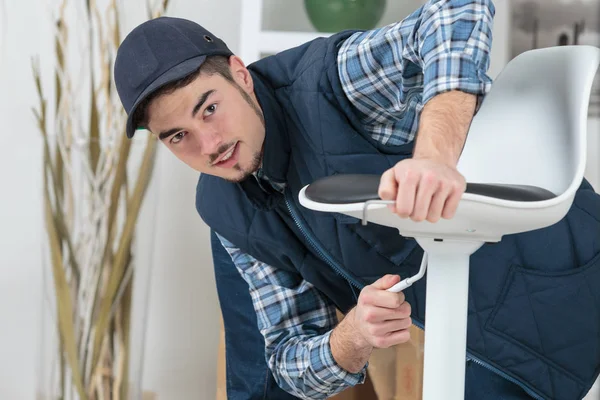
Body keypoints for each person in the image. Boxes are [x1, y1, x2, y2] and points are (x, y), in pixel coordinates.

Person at [113, 0, 600, 399]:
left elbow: (458, 10)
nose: (209, 144)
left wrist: (434, 155)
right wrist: (353, 338)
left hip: (569, 266)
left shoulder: (329, 82)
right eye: (178, 137)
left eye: (210, 108)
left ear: (241, 75)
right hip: (486, 349)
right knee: (225, 214)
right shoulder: (226, 209)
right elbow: (288, 358)